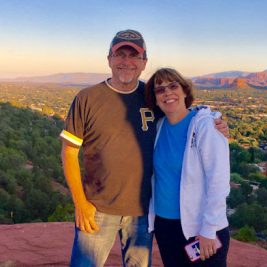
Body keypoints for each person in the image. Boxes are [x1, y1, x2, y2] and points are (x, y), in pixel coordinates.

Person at [60, 30, 229, 267]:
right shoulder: (88, 98)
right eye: (120, 54)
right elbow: (69, 151)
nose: (126, 62)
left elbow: (181, 112)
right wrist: (80, 203)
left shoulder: (149, 97)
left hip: (142, 212)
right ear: (109, 58)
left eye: (134, 56)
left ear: (143, 63)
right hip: (99, 209)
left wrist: (214, 121)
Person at [146, 68, 230, 267]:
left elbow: (218, 181)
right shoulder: (157, 128)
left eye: (173, 86)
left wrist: (209, 229)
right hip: (166, 227)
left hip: (199, 229)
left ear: (185, 91)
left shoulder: (205, 126)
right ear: (155, 99)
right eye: (160, 90)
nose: (167, 93)